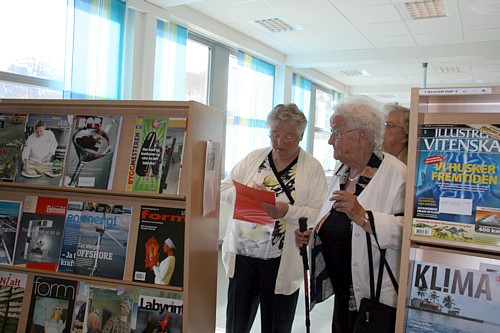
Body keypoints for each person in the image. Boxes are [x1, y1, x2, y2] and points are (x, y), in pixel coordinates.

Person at [295, 97, 406, 333]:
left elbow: (408, 233)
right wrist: (313, 234)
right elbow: (335, 223)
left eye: (336, 132)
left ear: (362, 135)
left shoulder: (397, 175)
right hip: (343, 295)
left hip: (374, 299)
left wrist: (365, 217)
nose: (330, 140)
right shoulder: (342, 172)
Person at [221, 103, 328, 333]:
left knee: (276, 325)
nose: (279, 142)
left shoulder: (312, 168)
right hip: (245, 254)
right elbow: (224, 188)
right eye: (275, 135)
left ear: (300, 136)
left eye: (288, 136)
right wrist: (247, 194)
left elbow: (318, 213)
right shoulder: (255, 158)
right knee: (236, 324)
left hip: (282, 259)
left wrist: (287, 211)